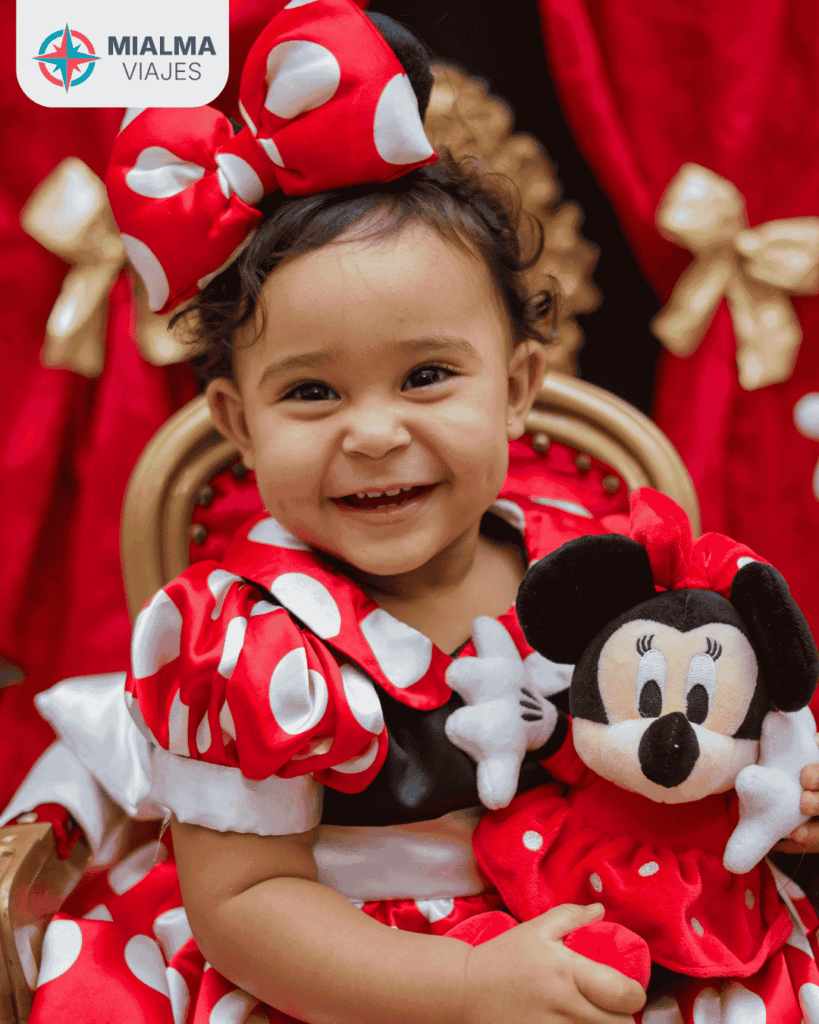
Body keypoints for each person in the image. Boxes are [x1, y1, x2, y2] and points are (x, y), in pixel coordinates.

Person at [9, 3, 819, 1023]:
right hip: (351, 971)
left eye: (427, 375)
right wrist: (468, 985)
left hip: (610, 927)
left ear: (518, 387)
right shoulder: (243, 642)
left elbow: (688, 742)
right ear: (236, 421)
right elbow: (246, 905)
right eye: (311, 393)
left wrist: (772, 790)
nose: (375, 433)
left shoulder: (601, 567)